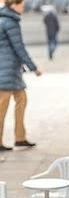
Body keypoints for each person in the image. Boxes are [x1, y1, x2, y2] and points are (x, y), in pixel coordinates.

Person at [0, 0, 41, 152]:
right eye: (21, 4)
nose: (23, 7)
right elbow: (19, 47)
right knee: (2, 107)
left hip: (10, 71)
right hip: (6, 72)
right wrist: (33, 68)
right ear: (13, 5)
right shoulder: (9, 22)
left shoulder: (5, 20)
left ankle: (20, 138)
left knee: (21, 99)